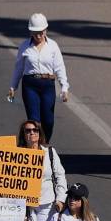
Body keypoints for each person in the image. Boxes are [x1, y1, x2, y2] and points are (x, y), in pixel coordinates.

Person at [7, 13, 69, 141]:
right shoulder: (25, 46)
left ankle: (44, 143)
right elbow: (18, 67)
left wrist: (64, 87)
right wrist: (13, 86)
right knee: (34, 121)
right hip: (30, 85)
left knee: (48, 120)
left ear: (45, 30)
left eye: (41, 32)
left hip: (47, 85)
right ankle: (34, 149)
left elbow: (59, 67)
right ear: (30, 32)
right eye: (35, 33)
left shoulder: (53, 46)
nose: (39, 36)